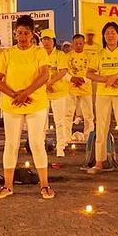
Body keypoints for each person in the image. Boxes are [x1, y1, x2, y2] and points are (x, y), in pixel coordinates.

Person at [0, 15, 54, 199]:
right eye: (19, 33)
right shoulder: (7, 53)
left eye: (26, 33)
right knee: (11, 144)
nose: (23, 37)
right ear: (15, 33)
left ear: (32, 34)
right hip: (12, 104)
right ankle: (8, 185)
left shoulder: (39, 52)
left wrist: (26, 93)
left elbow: (44, 75)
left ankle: (44, 185)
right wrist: (14, 95)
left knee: (36, 143)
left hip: (35, 103)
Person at [86, 22, 118, 174]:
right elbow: (89, 73)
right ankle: (99, 163)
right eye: (107, 33)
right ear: (103, 36)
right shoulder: (99, 53)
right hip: (103, 94)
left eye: (113, 33)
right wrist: (106, 79)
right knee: (101, 128)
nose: (110, 35)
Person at [39, 29, 70, 157]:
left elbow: (63, 71)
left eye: (48, 39)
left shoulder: (60, 54)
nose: (46, 42)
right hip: (43, 93)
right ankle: (40, 146)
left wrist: (50, 83)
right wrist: (45, 85)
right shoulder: (39, 54)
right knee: (42, 121)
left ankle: (60, 147)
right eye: (44, 39)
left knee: (60, 121)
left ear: (53, 41)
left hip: (59, 92)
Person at [65, 33, 94, 138]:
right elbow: (64, 72)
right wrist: (72, 79)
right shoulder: (67, 56)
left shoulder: (89, 56)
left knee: (88, 115)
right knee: (68, 114)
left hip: (85, 89)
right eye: (76, 43)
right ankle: (66, 137)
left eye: (80, 43)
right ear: (72, 43)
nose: (78, 45)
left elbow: (94, 72)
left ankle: (89, 136)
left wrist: (83, 80)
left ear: (84, 43)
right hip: (70, 88)